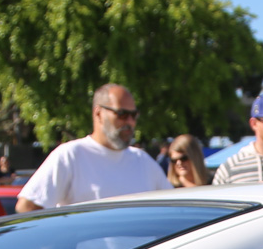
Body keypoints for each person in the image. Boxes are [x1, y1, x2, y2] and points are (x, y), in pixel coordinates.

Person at [17, 83, 170, 211]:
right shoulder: (71, 155)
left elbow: (173, 211)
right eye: (122, 114)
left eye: (134, 115)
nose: (130, 122)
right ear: (98, 113)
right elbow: (27, 207)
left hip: (149, 248)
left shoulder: (143, 161)